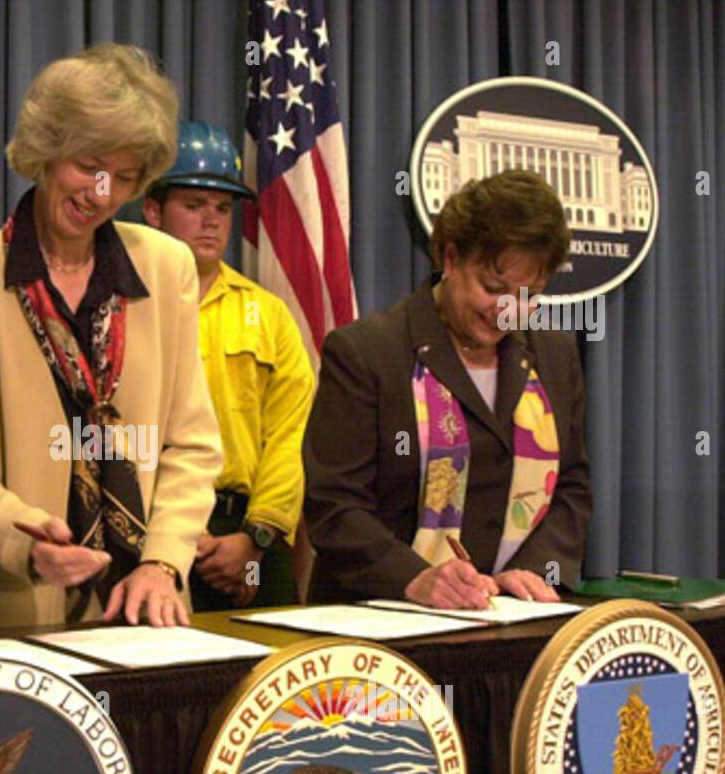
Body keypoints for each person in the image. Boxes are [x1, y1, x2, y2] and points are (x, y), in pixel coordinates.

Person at [0, 43, 223, 632]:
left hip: (145, 612)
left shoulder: (167, 267)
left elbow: (192, 443)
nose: (101, 194)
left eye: (124, 178)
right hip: (10, 608)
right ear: (45, 153)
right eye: (88, 165)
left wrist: (162, 563)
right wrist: (23, 538)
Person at [303, 169, 591, 609]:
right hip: (383, 628)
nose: (506, 310)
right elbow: (334, 506)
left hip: (512, 619)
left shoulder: (554, 354)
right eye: (493, 288)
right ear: (451, 258)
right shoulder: (366, 352)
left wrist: (535, 568)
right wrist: (416, 578)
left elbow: (571, 486)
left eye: (528, 295)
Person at [142, 121, 314, 611]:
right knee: (160, 680)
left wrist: (255, 539)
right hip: (145, 529)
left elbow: (290, 433)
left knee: (272, 676)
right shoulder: (121, 304)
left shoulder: (267, 314)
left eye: (222, 207)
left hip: (247, 533)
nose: (212, 221)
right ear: (154, 211)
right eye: (193, 206)